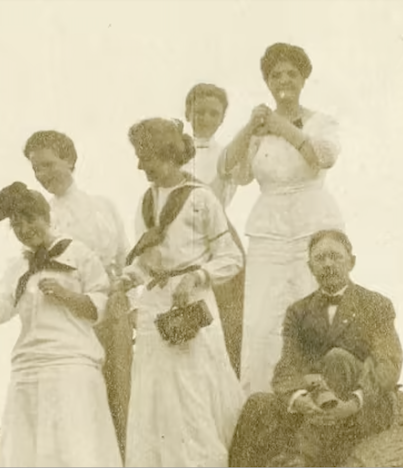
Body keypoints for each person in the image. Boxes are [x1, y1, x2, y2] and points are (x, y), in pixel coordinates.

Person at [114, 117, 245, 467]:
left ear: (168, 153)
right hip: (155, 305)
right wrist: (130, 277)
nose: (140, 165)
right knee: (155, 395)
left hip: (191, 305)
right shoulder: (146, 202)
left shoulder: (200, 198)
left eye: (145, 156)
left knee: (192, 392)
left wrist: (199, 276)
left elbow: (231, 257)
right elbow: (148, 261)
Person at [221, 42, 347, 397]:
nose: (284, 80)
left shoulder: (321, 121)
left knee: (316, 302)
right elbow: (232, 170)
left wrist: (280, 125)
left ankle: (324, 394)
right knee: (264, 316)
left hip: (313, 221)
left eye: (292, 73)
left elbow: (322, 157)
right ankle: (266, 397)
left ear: (304, 78)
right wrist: (251, 127)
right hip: (269, 228)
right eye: (275, 75)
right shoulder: (259, 129)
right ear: (267, 81)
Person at [0, 181, 124, 467]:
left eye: (30, 220)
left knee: (73, 449)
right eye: (16, 225)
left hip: (71, 363)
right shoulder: (18, 267)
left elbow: (100, 305)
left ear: (46, 217)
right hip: (29, 367)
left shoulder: (78, 253)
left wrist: (66, 294)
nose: (25, 229)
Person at [227, 230, 403, 467]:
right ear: (310, 267)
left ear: (351, 262)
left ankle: (305, 456)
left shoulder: (376, 305)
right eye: (320, 259)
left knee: (337, 358)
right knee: (258, 404)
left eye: (335, 256)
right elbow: (287, 368)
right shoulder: (299, 311)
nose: (328, 264)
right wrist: (299, 399)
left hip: (363, 406)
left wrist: (352, 403)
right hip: (316, 404)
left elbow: (388, 364)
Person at [19, 130, 134, 451]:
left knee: (121, 384)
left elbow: (125, 255)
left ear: (69, 159)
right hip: (72, 313)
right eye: (35, 169)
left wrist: (132, 305)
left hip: (113, 306)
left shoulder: (103, 206)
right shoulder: (45, 216)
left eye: (48, 164)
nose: (42, 175)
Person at [184, 83, 249, 376]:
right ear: (187, 112)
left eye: (213, 113)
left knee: (226, 314)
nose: (206, 119)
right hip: (180, 236)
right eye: (199, 112)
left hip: (217, 233)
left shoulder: (226, 153)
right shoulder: (175, 150)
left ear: (222, 118)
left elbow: (243, 177)